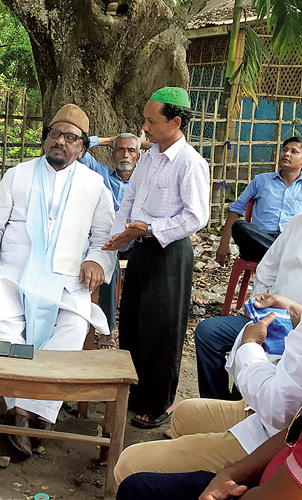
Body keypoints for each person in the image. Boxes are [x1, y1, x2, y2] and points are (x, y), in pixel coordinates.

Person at [116, 160, 302, 500]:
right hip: (277, 404)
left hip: (272, 425)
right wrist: (287, 310)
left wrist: (250, 348)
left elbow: (285, 416)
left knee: (131, 468)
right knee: (189, 406)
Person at [0, 103, 116, 457]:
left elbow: (105, 239)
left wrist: (96, 261)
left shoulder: (95, 185)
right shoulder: (17, 175)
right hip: (13, 275)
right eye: (55, 134)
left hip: (67, 281)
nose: (61, 142)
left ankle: (29, 410)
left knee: (72, 326)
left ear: (82, 148)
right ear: (45, 139)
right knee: (3, 327)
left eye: (71, 138)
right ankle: (30, 414)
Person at [103, 87, 210, 429]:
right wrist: (119, 236)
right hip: (141, 247)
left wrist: (150, 228)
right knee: (133, 321)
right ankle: (134, 392)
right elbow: (130, 199)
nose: (145, 127)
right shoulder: (148, 157)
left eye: (151, 120)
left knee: (161, 329)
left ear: (175, 122)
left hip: (170, 252)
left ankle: (158, 403)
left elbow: (196, 217)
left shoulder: (190, 162)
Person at [196, 204, 302, 400]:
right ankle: (216, 403)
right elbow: (267, 268)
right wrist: (258, 302)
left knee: (259, 357)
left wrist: (296, 316)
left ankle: (240, 410)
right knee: (208, 332)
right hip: (269, 313)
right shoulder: (299, 221)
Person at [78, 132, 141, 346]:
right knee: (109, 260)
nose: (125, 155)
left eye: (131, 151)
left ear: (138, 157)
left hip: (134, 240)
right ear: (112, 154)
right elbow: (81, 149)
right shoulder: (101, 173)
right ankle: (109, 330)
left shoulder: (144, 181)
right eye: (120, 150)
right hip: (108, 240)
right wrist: (106, 140)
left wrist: (144, 143)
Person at [216, 137, 302, 264]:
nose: (286, 154)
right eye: (284, 150)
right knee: (240, 226)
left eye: (293, 151)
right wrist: (224, 243)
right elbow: (236, 209)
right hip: (257, 244)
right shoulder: (261, 180)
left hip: (292, 242)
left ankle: (280, 255)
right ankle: (282, 257)